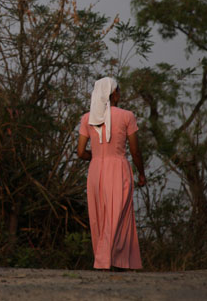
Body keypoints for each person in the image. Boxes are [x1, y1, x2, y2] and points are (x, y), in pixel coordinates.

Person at [77, 77, 146, 270]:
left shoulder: (87, 118)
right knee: (118, 215)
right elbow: (135, 150)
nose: (120, 95)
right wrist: (141, 173)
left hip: (95, 170)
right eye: (119, 91)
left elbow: (81, 152)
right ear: (113, 94)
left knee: (100, 215)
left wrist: (97, 156)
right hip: (118, 168)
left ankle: (108, 259)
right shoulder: (127, 116)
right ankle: (108, 260)